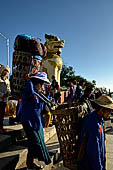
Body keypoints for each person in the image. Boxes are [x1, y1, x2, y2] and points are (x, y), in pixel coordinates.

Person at [18, 72, 51, 170]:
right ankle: (30, 164)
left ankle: (30, 163)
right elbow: (32, 96)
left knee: (35, 142)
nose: (42, 86)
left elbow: (44, 105)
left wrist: (48, 93)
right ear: (35, 82)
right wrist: (29, 82)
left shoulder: (39, 94)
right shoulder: (28, 92)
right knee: (34, 142)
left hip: (36, 122)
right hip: (28, 121)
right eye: (41, 83)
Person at [77, 95, 113, 170]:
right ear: (102, 110)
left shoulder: (98, 119)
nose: (111, 113)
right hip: (89, 166)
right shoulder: (93, 123)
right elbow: (94, 152)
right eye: (109, 110)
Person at [0, 65, 11, 133]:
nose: (5, 72)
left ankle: (1, 127)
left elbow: (9, 89)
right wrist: (2, 95)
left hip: (4, 100)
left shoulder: (7, 81)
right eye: (4, 71)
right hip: (0, 99)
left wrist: (8, 93)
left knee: (2, 114)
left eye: (7, 71)